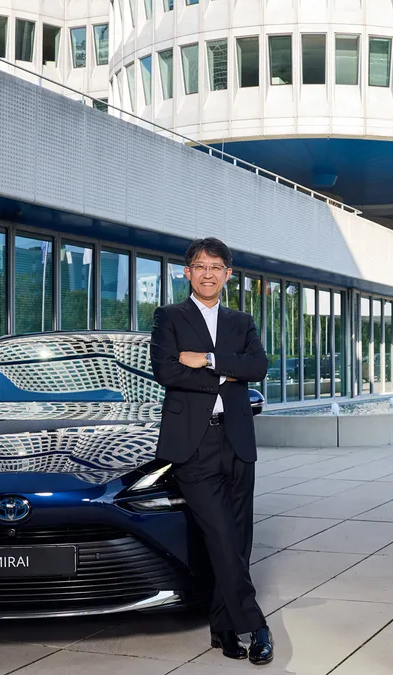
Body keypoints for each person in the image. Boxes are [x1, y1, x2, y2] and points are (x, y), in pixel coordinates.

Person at [150, 237, 273, 666]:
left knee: (237, 542)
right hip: (194, 445)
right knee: (220, 536)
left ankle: (223, 630)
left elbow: (258, 367)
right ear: (187, 272)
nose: (208, 274)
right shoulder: (169, 316)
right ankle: (255, 625)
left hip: (237, 442)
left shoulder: (242, 321)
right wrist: (227, 375)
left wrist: (207, 361)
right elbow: (165, 369)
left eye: (216, 267)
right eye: (200, 266)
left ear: (228, 274)